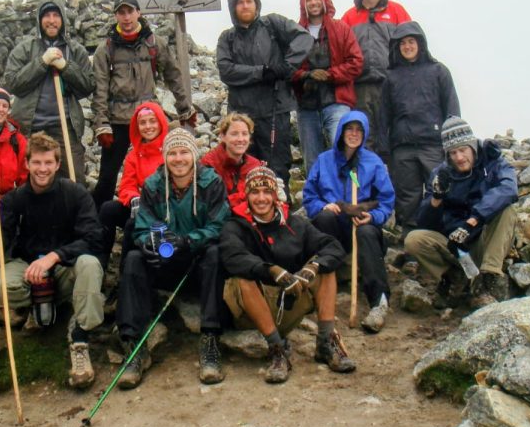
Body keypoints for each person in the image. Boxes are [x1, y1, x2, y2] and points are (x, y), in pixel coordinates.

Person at [0, 132, 104, 389]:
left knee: (90, 265)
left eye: (48, 163)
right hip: (28, 267)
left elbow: (94, 239)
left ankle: (80, 336)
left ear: (58, 164)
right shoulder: (15, 199)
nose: (42, 168)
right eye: (36, 162)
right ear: (27, 163)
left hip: (65, 267)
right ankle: (36, 307)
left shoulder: (76, 193)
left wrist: (54, 256)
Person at [116, 128, 231, 388]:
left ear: (194, 154)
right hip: (165, 263)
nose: (179, 159)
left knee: (215, 254)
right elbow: (142, 226)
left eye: (184, 152)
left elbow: (219, 225)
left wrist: (189, 241)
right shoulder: (154, 185)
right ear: (165, 157)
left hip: (197, 260)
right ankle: (133, 345)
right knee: (134, 259)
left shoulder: (211, 183)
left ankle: (210, 339)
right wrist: (148, 245)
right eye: (173, 153)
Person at [220, 165, 355, 383]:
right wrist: (271, 271)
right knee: (242, 278)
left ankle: (326, 342)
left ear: (275, 195)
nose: (261, 198)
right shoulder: (236, 225)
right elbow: (232, 257)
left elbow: (332, 246)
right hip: (256, 307)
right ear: (247, 196)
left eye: (267, 192)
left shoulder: (294, 223)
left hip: (292, 300)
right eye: (255, 193)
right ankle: (277, 349)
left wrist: (312, 268)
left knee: (326, 268)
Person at [91, 0, 196, 208]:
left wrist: (185, 108)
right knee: (107, 178)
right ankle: (98, 229)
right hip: (118, 119)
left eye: (130, 11)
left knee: (161, 170)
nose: (126, 17)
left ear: (139, 13)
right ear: (116, 16)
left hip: (149, 119)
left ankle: (166, 215)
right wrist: (102, 124)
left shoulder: (155, 43)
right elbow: (100, 89)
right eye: (121, 12)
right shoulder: (106, 49)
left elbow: (173, 76)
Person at [405, 117, 518, 309]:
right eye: (453, 152)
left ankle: (486, 280)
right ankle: (453, 277)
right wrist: (436, 199)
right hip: (456, 245)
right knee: (413, 239)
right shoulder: (441, 174)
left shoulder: (494, 162)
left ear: (473, 146)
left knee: (506, 210)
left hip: (486, 240)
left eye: (463, 150)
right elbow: (425, 223)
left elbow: (509, 189)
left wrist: (474, 220)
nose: (459, 157)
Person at [303, 111, 395, 333]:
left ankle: (378, 301)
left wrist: (373, 216)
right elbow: (310, 196)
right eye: (349, 129)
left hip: (361, 226)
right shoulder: (324, 160)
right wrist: (322, 206)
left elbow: (386, 200)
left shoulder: (373, 163)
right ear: (341, 131)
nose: (354, 134)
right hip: (334, 229)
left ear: (364, 134)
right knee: (324, 218)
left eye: (359, 130)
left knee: (366, 232)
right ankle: (322, 282)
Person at [217, 0, 313, 190]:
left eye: (249, 1)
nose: (245, 6)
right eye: (240, 2)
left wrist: (287, 65)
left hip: (275, 110)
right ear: (233, 8)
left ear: (256, 4)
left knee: (277, 166)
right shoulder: (227, 37)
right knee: (242, 167)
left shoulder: (273, 24)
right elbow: (226, 71)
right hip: (242, 115)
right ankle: (245, 215)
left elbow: (304, 38)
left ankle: (280, 213)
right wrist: (262, 72)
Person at [380, 22, 460, 236]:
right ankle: (410, 243)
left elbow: (451, 110)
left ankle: (442, 237)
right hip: (402, 147)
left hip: (433, 144)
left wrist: (454, 146)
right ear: (396, 47)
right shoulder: (390, 77)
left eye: (411, 41)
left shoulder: (439, 71)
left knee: (440, 190)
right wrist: (384, 150)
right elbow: (383, 116)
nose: (407, 46)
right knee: (407, 196)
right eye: (402, 43)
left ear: (420, 43)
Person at [4, 0, 94, 183]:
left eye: (56, 15)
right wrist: (42, 62)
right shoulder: (24, 49)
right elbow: (13, 84)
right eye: (47, 16)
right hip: (30, 127)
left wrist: (65, 66)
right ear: (40, 20)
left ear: (62, 19)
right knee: (31, 180)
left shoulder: (75, 50)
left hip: (65, 126)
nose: (51, 21)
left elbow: (87, 86)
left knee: (73, 180)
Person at [291, 0, 363, 173]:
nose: (313, 3)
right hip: (307, 105)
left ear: (324, 1)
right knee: (312, 159)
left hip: (338, 101)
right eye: (309, 0)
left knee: (343, 150)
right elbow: (288, 67)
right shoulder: (295, 32)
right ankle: (317, 200)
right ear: (303, 5)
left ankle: (349, 196)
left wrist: (330, 75)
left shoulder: (341, 28)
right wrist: (306, 75)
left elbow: (356, 62)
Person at [341, 0, 411, 156]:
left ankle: (394, 180)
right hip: (360, 86)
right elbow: (340, 49)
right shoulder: (349, 16)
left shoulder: (397, 11)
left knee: (392, 131)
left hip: (392, 81)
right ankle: (366, 181)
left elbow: (412, 42)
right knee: (365, 134)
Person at [98, 101, 169, 266]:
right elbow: (127, 185)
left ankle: (125, 273)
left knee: (132, 223)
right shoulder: (134, 155)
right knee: (108, 209)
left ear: (161, 122)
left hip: (164, 211)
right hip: (140, 206)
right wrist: (133, 198)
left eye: (152, 121)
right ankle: (100, 262)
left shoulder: (170, 151)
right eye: (142, 123)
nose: (148, 126)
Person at [200, 112, 262, 211]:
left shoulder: (254, 165)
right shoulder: (209, 164)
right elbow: (213, 202)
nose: (240, 139)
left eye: (245, 134)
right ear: (222, 136)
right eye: (234, 134)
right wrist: (247, 196)